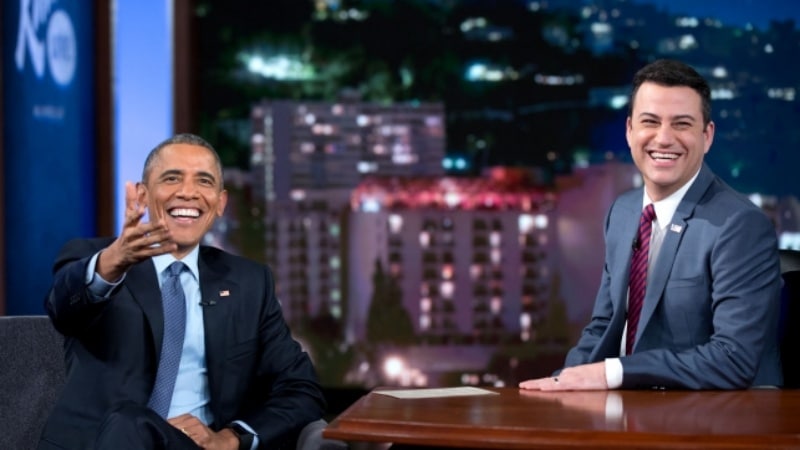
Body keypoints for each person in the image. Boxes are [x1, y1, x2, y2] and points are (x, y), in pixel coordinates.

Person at [39, 133, 326, 449]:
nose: (188, 193)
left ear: (220, 203)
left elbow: (301, 389)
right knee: (130, 423)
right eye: (172, 178)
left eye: (204, 182)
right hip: (99, 443)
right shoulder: (96, 259)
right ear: (144, 195)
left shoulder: (250, 283)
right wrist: (112, 263)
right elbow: (63, 310)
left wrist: (232, 437)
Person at [520, 59, 782, 391]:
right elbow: (604, 325)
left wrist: (613, 374)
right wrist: (561, 382)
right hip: (633, 411)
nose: (664, 138)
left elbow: (734, 359)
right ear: (630, 131)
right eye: (650, 122)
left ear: (707, 135)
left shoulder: (740, 225)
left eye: (682, 124)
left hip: (716, 421)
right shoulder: (624, 211)